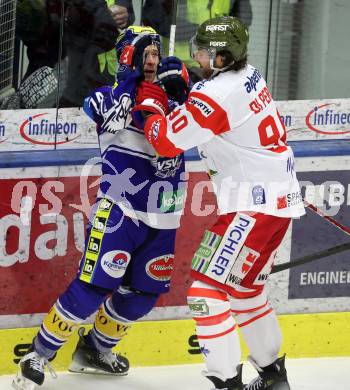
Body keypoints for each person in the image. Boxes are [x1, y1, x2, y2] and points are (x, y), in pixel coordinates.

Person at [132, 16, 305, 390]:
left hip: (251, 206)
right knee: (244, 292)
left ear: (225, 57)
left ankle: (227, 384)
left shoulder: (216, 95)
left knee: (206, 293)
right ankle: (274, 379)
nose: (196, 55)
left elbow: (165, 140)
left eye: (204, 52)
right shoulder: (249, 74)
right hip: (276, 200)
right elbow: (213, 111)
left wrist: (150, 101)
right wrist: (188, 89)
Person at [12, 25, 187, 390]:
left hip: (165, 217)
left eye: (157, 54)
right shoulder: (109, 96)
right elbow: (100, 111)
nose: (153, 61)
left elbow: (197, 131)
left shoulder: (173, 102)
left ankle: (93, 350)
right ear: (129, 57)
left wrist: (182, 96)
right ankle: (38, 355)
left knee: (145, 294)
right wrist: (133, 92)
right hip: (121, 212)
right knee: (93, 285)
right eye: (146, 54)